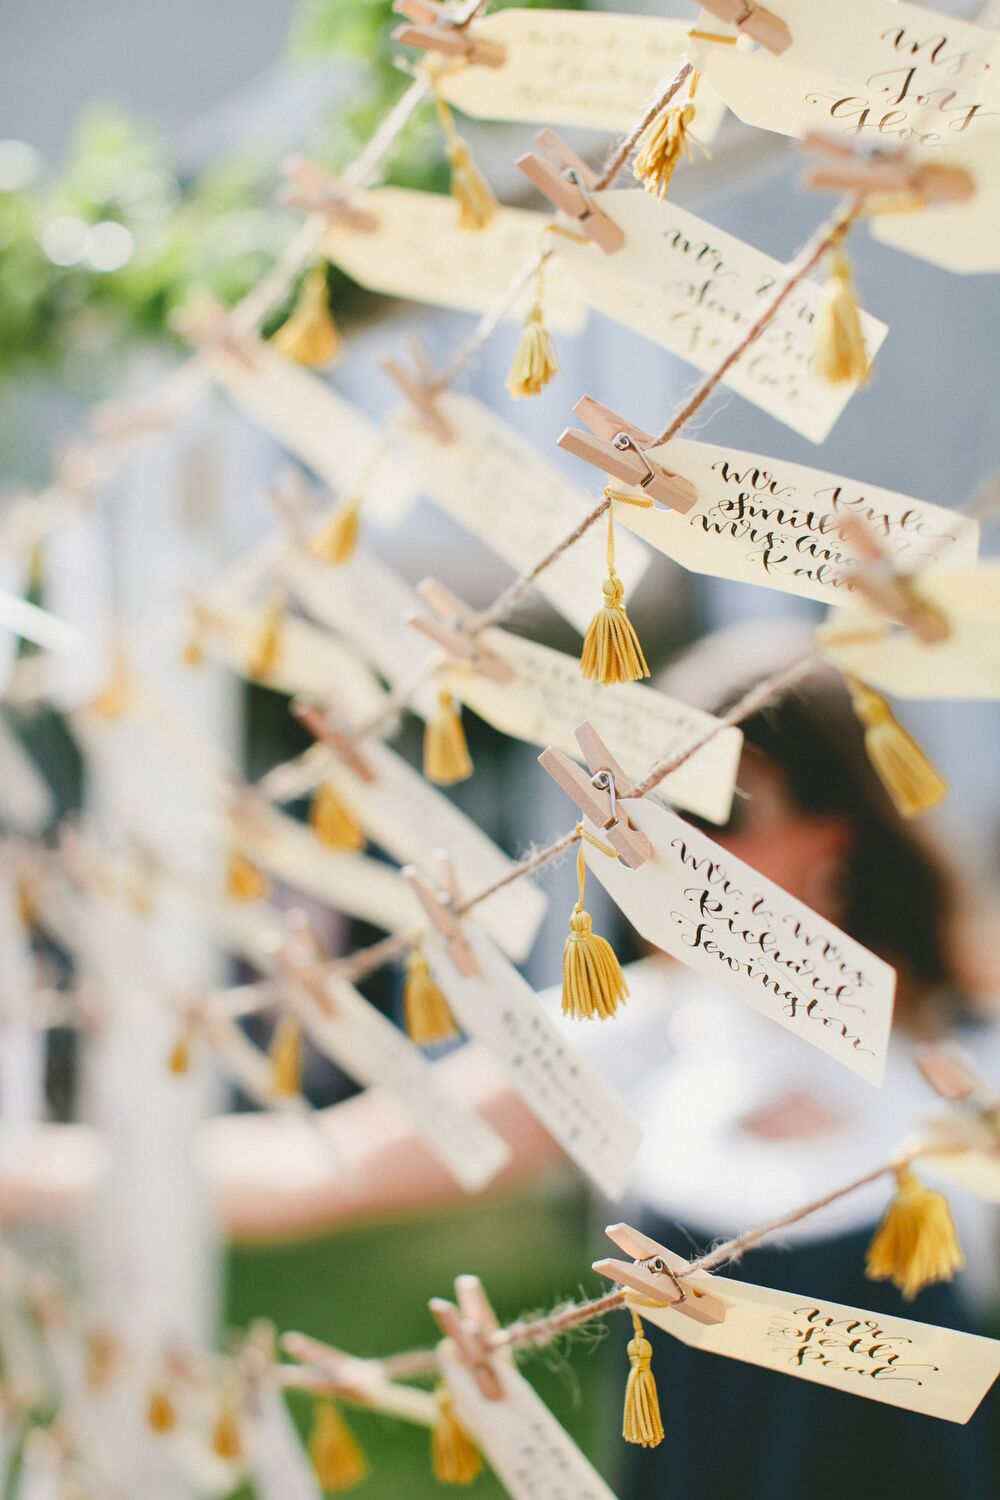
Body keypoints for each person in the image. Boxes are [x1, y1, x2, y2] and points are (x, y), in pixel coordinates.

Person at [6, 623, 999, 1497]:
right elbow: (322, 1168)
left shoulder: (964, 1033)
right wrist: (24, 1170)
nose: (677, 853)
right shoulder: (641, 1038)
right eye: (660, 820)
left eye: (721, 816)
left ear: (836, 826)